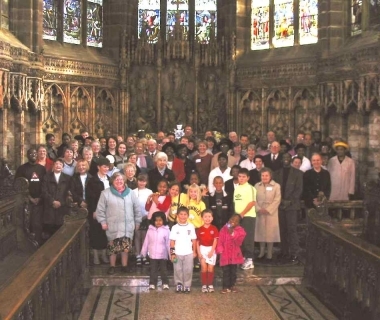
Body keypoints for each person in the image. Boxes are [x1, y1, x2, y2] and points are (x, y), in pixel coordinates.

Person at [96, 172, 142, 274]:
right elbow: (100, 210)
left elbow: (137, 209)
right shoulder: (105, 193)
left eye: (121, 179)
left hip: (127, 225)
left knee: (125, 247)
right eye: (116, 180)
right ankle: (112, 266)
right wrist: (103, 222)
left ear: (124, 181)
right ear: (112, 181)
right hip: (113, 225)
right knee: (113, 247)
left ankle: (124, 266)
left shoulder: (130, 193)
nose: (119, 181)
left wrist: (137, 221)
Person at [274, 153, 303, 262]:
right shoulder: (277, 173)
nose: (286, 159)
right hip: (280, 205)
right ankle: (284, 252)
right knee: (282, 230)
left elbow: (299, 189)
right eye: (284, 158)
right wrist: (281, 201)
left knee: (292, 230)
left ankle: (294, 252)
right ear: (282, 160)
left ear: (291, 160)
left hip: (292, 205)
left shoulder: (298, 173)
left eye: (288, 158)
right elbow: (275, 189)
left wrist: (289, 201)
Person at [15, 148, 46, 244]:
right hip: (26, 201)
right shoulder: (22, 168)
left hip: (40, 200)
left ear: (37, 155)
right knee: (26, 224)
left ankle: (38, 242)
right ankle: (27, 243)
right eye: (31, 153)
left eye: (35, 153)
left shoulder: (42, 169)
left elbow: (45, 184)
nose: (33, 155)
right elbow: (18, 185)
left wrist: (39, 197)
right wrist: (30, 198)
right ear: (27, 155)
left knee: (38, 223)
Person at [86, 157, 110, 265]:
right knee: (96, 232)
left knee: (105, 233)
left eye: (107, 167)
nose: (106, 169)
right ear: (98, 167)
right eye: (104, 167)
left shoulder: (109, 179)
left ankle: (104, 255)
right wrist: (94, 210)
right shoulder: (92, 181)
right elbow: (90, 197)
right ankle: (96, 256)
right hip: (96, 210)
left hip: (109, 210)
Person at [254, 167, 281, 261]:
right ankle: (261, 252)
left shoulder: (276, 186)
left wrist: (269, 209)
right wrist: (258, 208)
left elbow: (277, 199)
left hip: (271, 213)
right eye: (263, 175)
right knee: (260, 232)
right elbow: (253, 199)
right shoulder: (256, 186)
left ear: (270, 176)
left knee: (270, 233)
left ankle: (269, 252)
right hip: (260, 211)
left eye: (266, 175)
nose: (264, 177)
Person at [216, 214, 246, 293]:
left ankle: (232, 286)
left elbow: (239, 242)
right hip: (225, 253)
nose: (233, 221)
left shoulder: (240, 230)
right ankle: (225, 287)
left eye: (236, 221)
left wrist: (232, 233)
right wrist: (220, 249)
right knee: (225, 271)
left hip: (234, 254)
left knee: (233, 271)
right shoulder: (224, 229)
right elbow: (220, 240)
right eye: (232, 219)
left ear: (238, 223)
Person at [169, 207, 197, 293]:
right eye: (181, 214)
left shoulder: (191, 226)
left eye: (185, 214)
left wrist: (194, 251)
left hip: (188, 252)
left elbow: (194, 240)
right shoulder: (174, 227)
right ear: (177, 215)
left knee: (188, 270)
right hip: (177, 253)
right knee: (178, 270)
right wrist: (172, 253)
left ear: (188, 216)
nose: (183, 216)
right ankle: (179, 284)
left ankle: (187, 285)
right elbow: (172, 241)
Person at [141, 211, 171, 290]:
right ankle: (152, 283)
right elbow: (146, 241)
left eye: (160, 220)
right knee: (153, 270)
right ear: (153, 221)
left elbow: (168, 243)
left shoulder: (166, 230)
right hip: (152, 255)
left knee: (163, 270)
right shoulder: (150, 230)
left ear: (163, 220)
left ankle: (165, 283)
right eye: (156, 220)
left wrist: (170, 254)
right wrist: (143, 252)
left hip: (163, 254)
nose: (158, 222)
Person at [42, 158, 71, 238]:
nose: (58, 166)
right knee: (49, 234)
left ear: (63, 167)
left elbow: (69, 193)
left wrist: (61, 202)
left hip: (62, 209)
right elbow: (44, 191)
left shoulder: (68, 178)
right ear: (53, 165)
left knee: (62, 234)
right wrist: (52, 201)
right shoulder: (46, 177)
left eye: (60, 164)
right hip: (49, 209)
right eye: (56, 164)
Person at [234, 168, 257, 270]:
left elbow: (252, 202)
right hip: (238, 217)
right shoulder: (237, 188)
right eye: (240, 176)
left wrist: (242, 213)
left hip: (248, 216)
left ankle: (250, 260)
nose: (241, 178)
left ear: (248, 178)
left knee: (248, 238)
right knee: (240, 238)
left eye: (244, 177)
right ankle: (243, 258)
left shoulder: (250, 188)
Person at [196, 209, 219, 293]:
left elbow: (215, 241)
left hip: (211, 249)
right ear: (202, 218)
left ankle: (210, 284)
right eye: (205, 217)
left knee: (210, 268)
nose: (207, 218)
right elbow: (197, 242)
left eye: (209, 216)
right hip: (202, 249)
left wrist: (212, 251)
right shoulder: (200, 229)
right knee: (204, 268)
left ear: (212, 218)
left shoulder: (214, 228)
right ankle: (204, 285)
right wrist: (198, 253)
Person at [133, 174, 153, 266]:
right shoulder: (132, 192)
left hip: (145, 217)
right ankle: (137, 255)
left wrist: (146, 215)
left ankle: (144, 254)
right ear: (137, 181)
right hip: (136, 217)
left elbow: (151, 206)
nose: (142, 183)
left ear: (146, 182)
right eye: (140, 181)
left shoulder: (149, 192)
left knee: (144, 237)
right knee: (137, 236)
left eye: (144, 181)